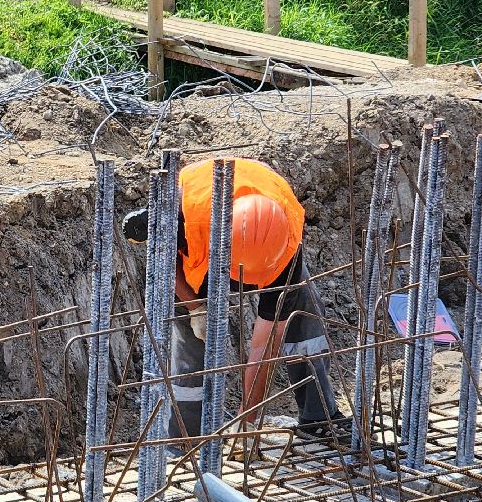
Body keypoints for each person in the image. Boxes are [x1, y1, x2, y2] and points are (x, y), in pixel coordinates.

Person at [125, 157, 349, 445]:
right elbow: (163, 261)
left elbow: (264, 346)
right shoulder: (182, 215)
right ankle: (187, 436)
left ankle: (318, 417)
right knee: (190, 340)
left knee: (302, 311)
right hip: (201, 233)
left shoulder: (284, 246)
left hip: (264, 239)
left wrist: (248, 419)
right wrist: (195, 307)